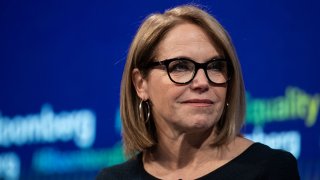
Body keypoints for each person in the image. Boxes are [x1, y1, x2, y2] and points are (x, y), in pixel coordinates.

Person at [97, 5, 300, 180]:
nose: (202, 82)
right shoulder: (113, 178)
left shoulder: (271, 169)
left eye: (215, 66)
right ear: (141, 84)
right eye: (180, 67)